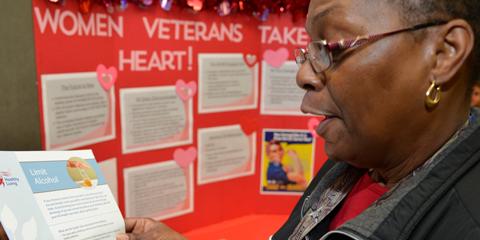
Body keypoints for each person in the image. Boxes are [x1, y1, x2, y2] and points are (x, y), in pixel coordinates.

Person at [117, 0, 480, 239]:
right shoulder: (352, 166)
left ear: (443, 54)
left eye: (332, 46)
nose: (303, 74)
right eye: (308, 50)